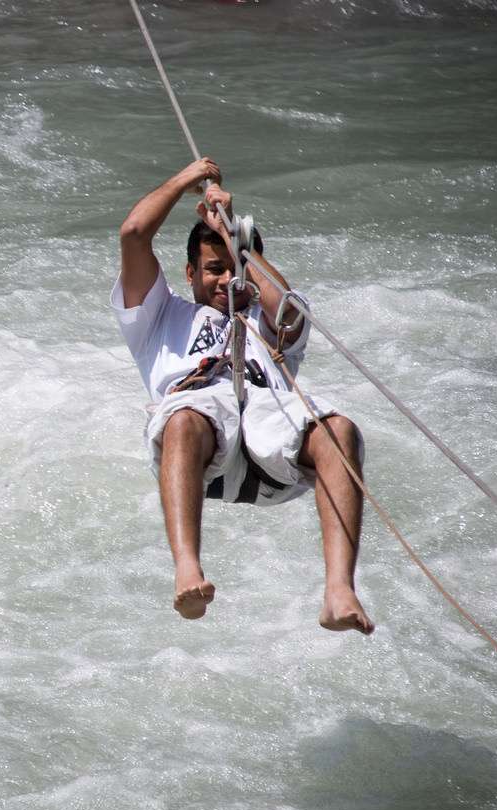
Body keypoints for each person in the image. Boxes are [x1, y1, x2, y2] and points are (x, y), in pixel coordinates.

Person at [113, 157, 374, 635]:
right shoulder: (157, 320)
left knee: (339, 429)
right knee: (187, 414)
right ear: (189, 271)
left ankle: (339, 589)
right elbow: (133, 234)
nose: (223, 281)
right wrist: (186, 181)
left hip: (269, 440)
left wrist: (241, 242)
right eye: (213, 270)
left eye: (234, 270)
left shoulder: (266, 317)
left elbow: (289, 308)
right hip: (200, 446)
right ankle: (187, 568)